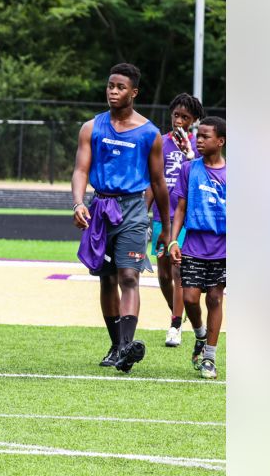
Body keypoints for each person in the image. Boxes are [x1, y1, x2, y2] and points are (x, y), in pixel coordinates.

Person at [70, 63, 171, 373]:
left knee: (129, 277)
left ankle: (127, 347)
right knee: (106, 278)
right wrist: (77, 203)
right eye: (110, 86)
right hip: (100, 208)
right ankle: (117, 345)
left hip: (133, 211)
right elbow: (81, 170)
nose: (113, 91)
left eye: (120, 87)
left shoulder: (149, 133)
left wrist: (166, 228)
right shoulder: (91, 127)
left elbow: (158, 183)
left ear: (134, 92)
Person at [167, 116, 226, 379]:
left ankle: (209, 359)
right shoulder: (189, 169)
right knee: (190, 298)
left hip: (224, 248)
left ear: (220, 141)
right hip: (193, 245)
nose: (199, 140)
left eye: (205, 137)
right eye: (197, 136)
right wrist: (172, 240)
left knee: (214, 298)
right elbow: (180, 208)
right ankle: (200, 333)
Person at [151, 93, 205, 347]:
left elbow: (203, 177)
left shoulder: (200, 146)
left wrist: (190, 153)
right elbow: (154, 179)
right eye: (176, 116)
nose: (179, 121)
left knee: (178, 271)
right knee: (162, 273)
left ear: (194, 120)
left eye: (185, 117)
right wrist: (143, 212)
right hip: (163, 216)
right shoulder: (160, 143)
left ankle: (174, 325)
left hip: (184, 219)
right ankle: (176, 312)